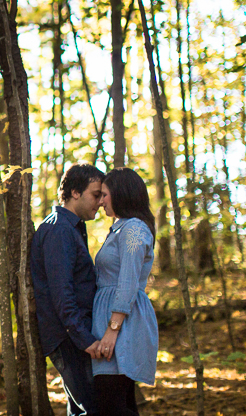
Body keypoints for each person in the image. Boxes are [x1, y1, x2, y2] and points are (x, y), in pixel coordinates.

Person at [32, 163, 106, 416]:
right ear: (75, 192)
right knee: (93, 409)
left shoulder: (70, 227)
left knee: (80, 411)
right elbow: (61, 293)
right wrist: (85, 340)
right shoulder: (59, 230)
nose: (100, 201)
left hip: (75, 335)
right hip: (70, 338)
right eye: (96, 195)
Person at [91, 167, 159, 416]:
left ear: (121, 194)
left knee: (110, 405)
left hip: (122, 324)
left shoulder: (133, 229)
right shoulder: (120, 227)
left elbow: (129, 281)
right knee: (120, 401)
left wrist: (113, 330)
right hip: (110, 322)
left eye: (105, 195)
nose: (100, 202)